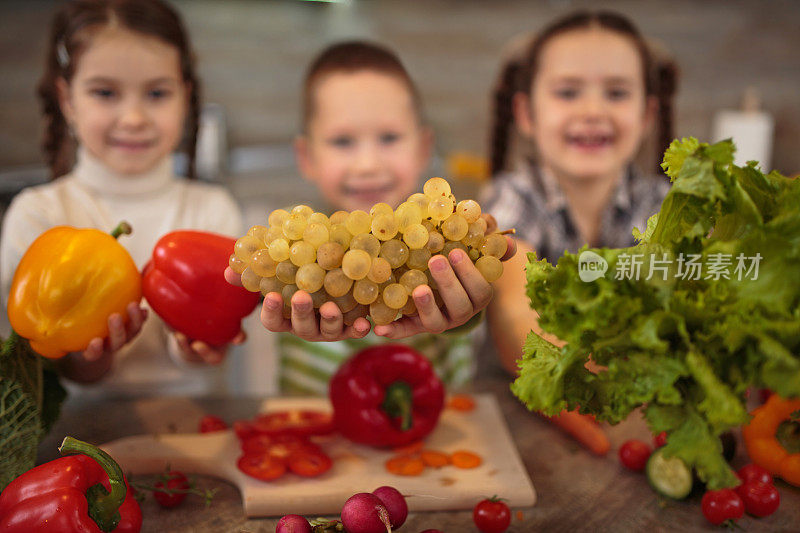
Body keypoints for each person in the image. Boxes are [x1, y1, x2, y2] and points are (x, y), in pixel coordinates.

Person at [225, 41, 515, 394]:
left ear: (424, 148)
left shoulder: (441, 234)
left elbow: (469, 303)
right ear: (306, 157)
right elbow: (253, 288)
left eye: (389, 137)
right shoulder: (288, 238)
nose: (368, 164)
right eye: (343, 141)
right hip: (314, 428)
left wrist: (463, 311)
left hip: (434, 429)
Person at [0, 0, 245, 396]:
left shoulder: (213, 210)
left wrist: (197, 349)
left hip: (198, 434)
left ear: (185, 96)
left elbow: (218, 338)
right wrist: (84, 364)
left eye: (157, 94)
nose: (133, 118)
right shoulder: (37, 214)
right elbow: (31, 370)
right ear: (67, 100)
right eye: (105, 92)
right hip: (73, 441)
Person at [481, 10, 679, 375]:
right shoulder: (512, 199)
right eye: (568, 92)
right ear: (526, 114)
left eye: (617, 93)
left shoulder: (665, 206)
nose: (592, 110)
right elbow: (517, 313)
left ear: (647, 116)